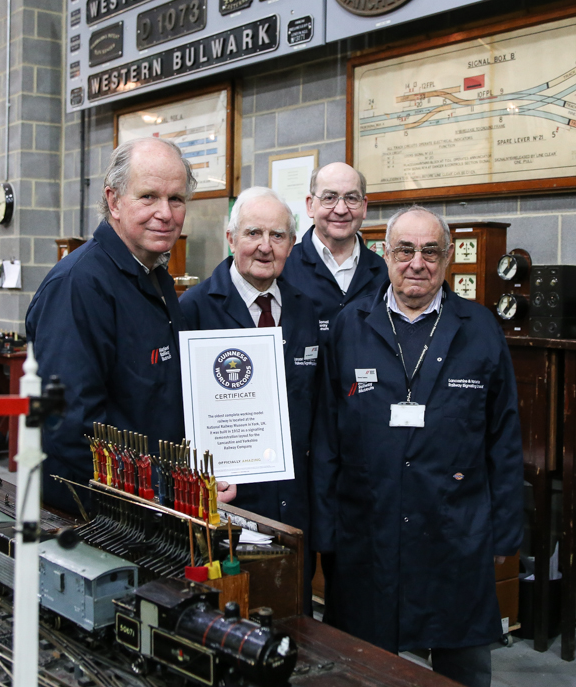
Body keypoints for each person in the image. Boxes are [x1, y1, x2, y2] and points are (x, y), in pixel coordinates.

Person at [312, 206, 523, 687]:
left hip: (455, 530)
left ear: (448, 259)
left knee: (463, 667)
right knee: (362, 667)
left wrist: (505, 533)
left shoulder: (480, 329)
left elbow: (504, 439)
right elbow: (326, 437)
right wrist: (325, 530)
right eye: (405, 250)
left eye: (430, 252)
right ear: (385, 255)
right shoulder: (349, 326)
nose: (417, 263)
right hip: (367, 529)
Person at [27, 137, 235, 511]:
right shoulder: (79, 286)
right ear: (114, 201)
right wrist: (164, 490)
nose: (165, 213)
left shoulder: (155, 277)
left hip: (155, 504)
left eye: (176, 199)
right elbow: (71, 429)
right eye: (148, 197)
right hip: (99, 516)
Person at [179, 187, 321, 609]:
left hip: (293, 502)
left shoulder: (305, 310)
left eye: (277, 236)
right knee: (228, 612)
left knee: (291, 610)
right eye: (253, 233)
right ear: (230, 238)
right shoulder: (194, 309)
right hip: (229, 503)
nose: (264, 246)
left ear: (292, 245)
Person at [280, 162, 387, 330]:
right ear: (310, 205)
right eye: (329, 198)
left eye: (351, 198)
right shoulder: (282, 268)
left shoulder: (385, 273)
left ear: (364, 206)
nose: (341, 210)